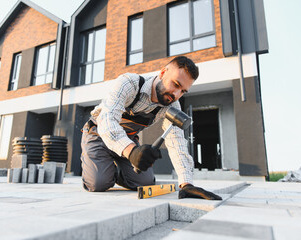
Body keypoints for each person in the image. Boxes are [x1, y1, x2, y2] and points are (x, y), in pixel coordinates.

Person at [81, 56, 221, 200]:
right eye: (176, 84)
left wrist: (186, 184)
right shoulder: (129, 83)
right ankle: (101, 170)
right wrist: (132, 152)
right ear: (162, 73)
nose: (176, 94)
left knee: (144, 182)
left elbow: (177, 142)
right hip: (98, 134)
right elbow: (107, 120)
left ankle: (111, 171)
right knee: (98, 183)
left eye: (183, 91)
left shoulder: (172, 106)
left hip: (128, 139)